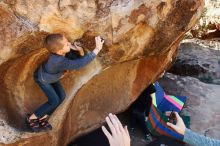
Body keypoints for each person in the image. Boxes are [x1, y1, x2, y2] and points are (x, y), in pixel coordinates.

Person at [26, 33, 104, 132]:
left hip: (52, 77)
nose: (69, 44)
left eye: (67, 41)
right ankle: (31, 118)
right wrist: (96, 49)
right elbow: (78, 64)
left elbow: (76, 59)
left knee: (61, 97)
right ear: (59, 51)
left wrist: (79, 50)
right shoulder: (57, 60)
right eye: (67, 44)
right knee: (54, 101)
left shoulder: (62, 52)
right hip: (43, 79)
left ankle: (42, 118)